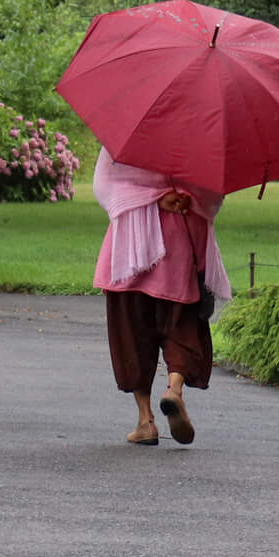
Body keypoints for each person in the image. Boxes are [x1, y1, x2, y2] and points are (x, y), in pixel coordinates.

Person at [91, 149, 230, 445]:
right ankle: (174, 390)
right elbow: (214, 193)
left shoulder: (126, 132)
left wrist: (152, 198)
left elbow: (104, 185)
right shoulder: (200, 134)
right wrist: (182, 197)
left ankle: (145, 421)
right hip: (181, 237)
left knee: (132, 331)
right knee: (181, 323)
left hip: (131, 242)